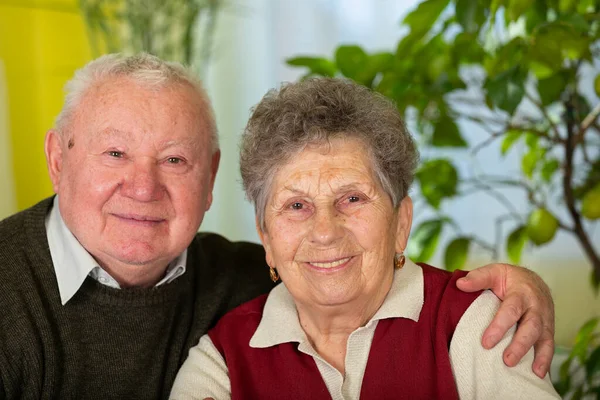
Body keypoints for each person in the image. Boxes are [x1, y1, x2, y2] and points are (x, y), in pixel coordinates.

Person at [0, 54, 553, 399]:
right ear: (57, 158)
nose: (143, 187)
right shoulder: (222, 354)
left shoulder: (247, 277)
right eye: (115, 152)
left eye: (174, 160)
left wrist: (523, 285)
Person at [169, 78, 560, 399]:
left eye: (352, 198)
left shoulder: (473, 323)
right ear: (266, 238)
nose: (325, 231)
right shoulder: (220, 361)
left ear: (401, 222)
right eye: (296, 206)